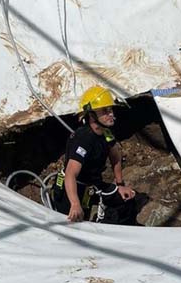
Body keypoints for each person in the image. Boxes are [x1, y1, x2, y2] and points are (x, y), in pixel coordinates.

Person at [52, 87, 140, 225]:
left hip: (93, 185)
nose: (111, 114)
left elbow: (115, 157)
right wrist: (75, 204)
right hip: (72, 190)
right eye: (105, 111)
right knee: (76, 225)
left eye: (110, 109)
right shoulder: (84, 139)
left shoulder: (106, 133)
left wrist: (120, 184)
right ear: (92, 115)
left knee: (126, 201)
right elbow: (70, 174)